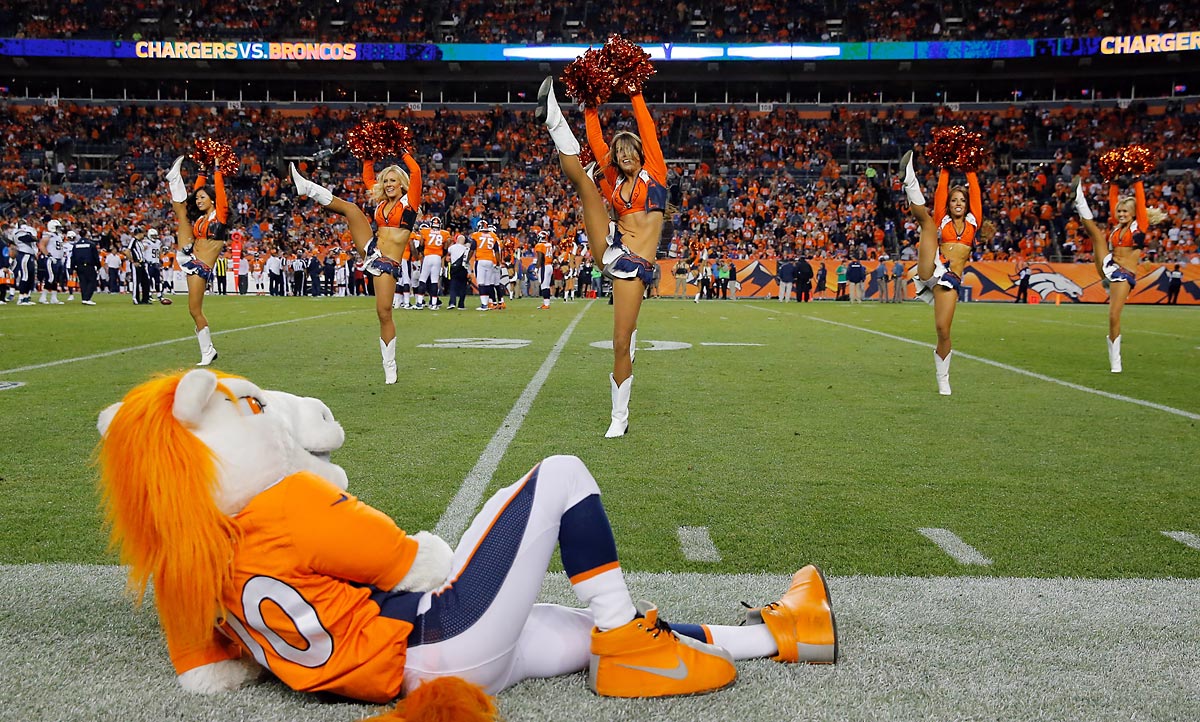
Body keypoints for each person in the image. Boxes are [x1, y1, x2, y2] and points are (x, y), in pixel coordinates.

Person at [539, 72, 664, 437]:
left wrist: (635, 91)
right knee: (586, 183)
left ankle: (619, 418)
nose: (624, 155)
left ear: (640, 154)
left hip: (634, 266)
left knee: (621, 342)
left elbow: (647, 127)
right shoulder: (614, 185)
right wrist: (589, 103)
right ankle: (554, 120)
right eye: (619, 152)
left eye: (629, 151)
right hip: (611, 248)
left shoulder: (655, 173)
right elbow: (595, 144)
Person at [289, 141, 423, 383]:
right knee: (351, 209)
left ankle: (389, 364)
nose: (389, 184)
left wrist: (401, 148)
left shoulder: (409, 202)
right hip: (371, 249)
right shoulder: (382, 203)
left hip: (388, 263)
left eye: (393, 180)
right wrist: (368, 154)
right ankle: (307, 187)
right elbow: (368, 177)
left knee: (383, 313)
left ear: (402, 184)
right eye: (386, 181)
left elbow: (416, 172)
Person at [900, 148, 983, 395]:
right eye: (954, 200)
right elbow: (940, 190)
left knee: (943, 330)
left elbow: (976, 190)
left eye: (962, 200)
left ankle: (943, 377)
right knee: (927, 222)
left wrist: (968, 164)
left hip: (950, 278)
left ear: (967, 204)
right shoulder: (943, 218)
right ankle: (909, 180)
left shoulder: (973, 222)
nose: (958, 203)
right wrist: (945, 163)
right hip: (933, 264)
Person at [1070, 174, 1166, 372]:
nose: (1121, 214)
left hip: (1124, 275)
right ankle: (1078, 197)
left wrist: (1138, 179)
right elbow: (1113, 201)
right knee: (1096, 235)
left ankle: (1116, 362)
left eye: (1124, 211)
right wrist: (1113, 182)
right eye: (1119, 211)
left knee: (1113, 315)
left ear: (1133, 214)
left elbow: (1140, 203)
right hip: (1109, 265)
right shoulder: (1116, 226)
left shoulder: (1140, 226)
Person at [166, 154, 229, 365]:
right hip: (191, 255)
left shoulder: (220, 215)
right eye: (199, 198)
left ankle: (208, 350)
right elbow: (193, 196)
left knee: (194, 310)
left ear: (212, 199)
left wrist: (217, 168)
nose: (199, 200)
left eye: (203, 198)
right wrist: (201, 170)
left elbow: (220, 191)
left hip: (201, 266)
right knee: (183, 212)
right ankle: (174, 180)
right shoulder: (201, 218)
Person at [415, 216, 448, 310]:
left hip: (428, 256)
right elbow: (446, 244)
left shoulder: (425, 231)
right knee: (434, 281)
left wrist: (422, 252)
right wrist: (441, 254)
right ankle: (434, 304)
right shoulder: (444, 233)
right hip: (437, 257)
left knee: (423, 279)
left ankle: (419, 302)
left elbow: (421, 244)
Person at [38, 219, 66, 304]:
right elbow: (41, 246)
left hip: (58, 259)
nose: (59, 229)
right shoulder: (48, 235)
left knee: (56, 279)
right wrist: (49, 256)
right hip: (51, 259)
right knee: (50, 278)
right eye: (57, 227)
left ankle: (54, 298)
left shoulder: (58, 236)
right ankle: (43, 297)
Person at [69, 229, 101, 305]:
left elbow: (73, 257)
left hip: (79, 266)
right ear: (87, 235)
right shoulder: (91, 244)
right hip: (89, 265)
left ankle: (84, 298)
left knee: (83, 282)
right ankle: (87, 298)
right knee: (92, 281)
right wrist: (98, 266)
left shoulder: (76, 245)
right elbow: (95, 256)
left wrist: (73, 267)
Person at [446, 232, 470, 309]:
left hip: (454, 267)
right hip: (463, 268)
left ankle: (452, 302)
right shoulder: (466, 248)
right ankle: (461, 304)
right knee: (463, 286)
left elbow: (448, 252)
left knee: (453, 285)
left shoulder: (452, 247)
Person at [534, 230, 554, 309]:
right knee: (547, 285)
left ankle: (546, 304)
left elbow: (540, 258)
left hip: (544, 266)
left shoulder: (540, 245)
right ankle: (546, 303)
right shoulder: (549, 244)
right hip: (549, 266)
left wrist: (536, 268)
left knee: (543, 285)